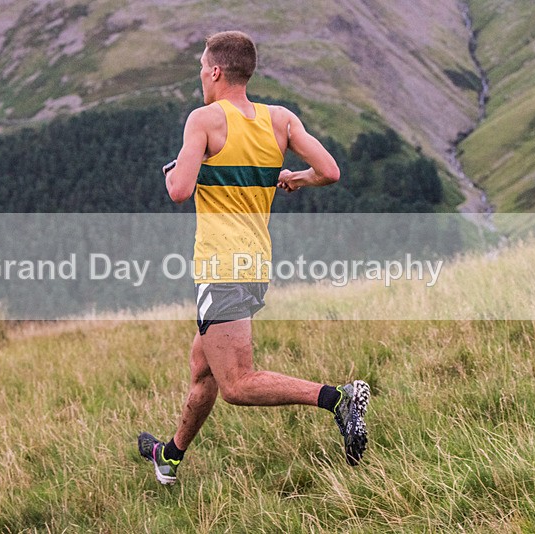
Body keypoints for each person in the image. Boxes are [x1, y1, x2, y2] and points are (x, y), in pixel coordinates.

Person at [138, 30, 370, 485]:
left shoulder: (204, 120)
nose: (200, 76)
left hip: (220, 267)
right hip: (256, 264)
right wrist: (295, 178)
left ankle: (337, 399)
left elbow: (179, 190)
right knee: (202, 369)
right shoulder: (280, 119)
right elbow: (329, 171)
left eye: (202, 69)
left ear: (216, 72)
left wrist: (174, 169)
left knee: (236, 384)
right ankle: (170, 457)